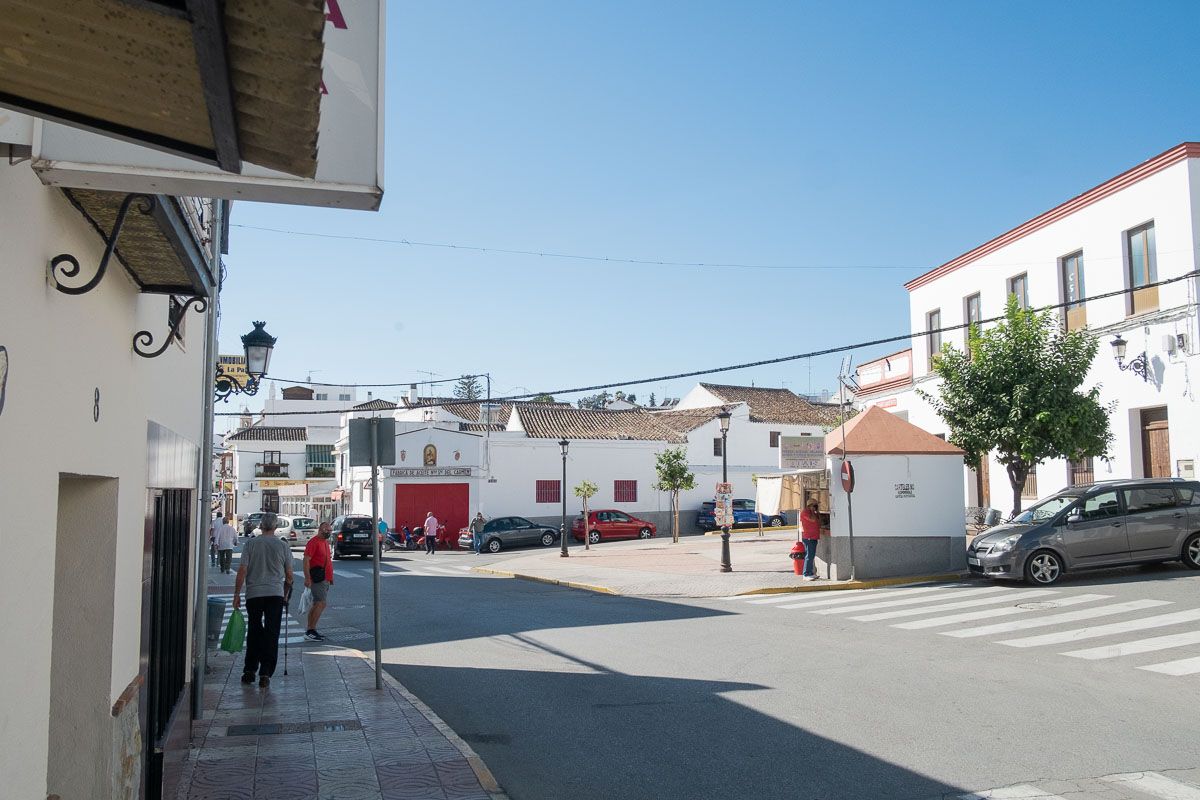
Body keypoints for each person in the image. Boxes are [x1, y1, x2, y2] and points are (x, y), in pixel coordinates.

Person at [233, 512, 294, 688]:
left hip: (254, 594)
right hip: (275, 594)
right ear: (275, 527)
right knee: (272, 632)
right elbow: (289, 574)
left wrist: (237, 594)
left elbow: (242, 571)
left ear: (261, 525)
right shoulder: (282, 546)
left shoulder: (251, 544)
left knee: (254, 630)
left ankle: (250, 669)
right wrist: (286, 592)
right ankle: (266, 672)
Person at [302, 521, 334, 642]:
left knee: (318, 603)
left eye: (330, 531)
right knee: (320, 603)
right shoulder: (314, 542)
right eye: (327, 530)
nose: (329, 533)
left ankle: (311, 629)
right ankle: (310, 630)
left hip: (324, 578)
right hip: (318, 578)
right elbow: (306, 560)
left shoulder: (325, 542)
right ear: (320, 530)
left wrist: (330, 579)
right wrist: (307, 578)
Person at [800, 498, 823, 581]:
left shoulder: (813, 513)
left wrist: (817, 512)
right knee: (809, 556)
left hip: (814, 537)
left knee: (812, 555)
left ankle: (810, 573)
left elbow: (819, 521)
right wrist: (813, 511)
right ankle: (806, 574)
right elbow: (813, 520)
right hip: (808, 537)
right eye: (815, 505)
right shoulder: (805, 512)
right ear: (810, 505)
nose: (816, 507)